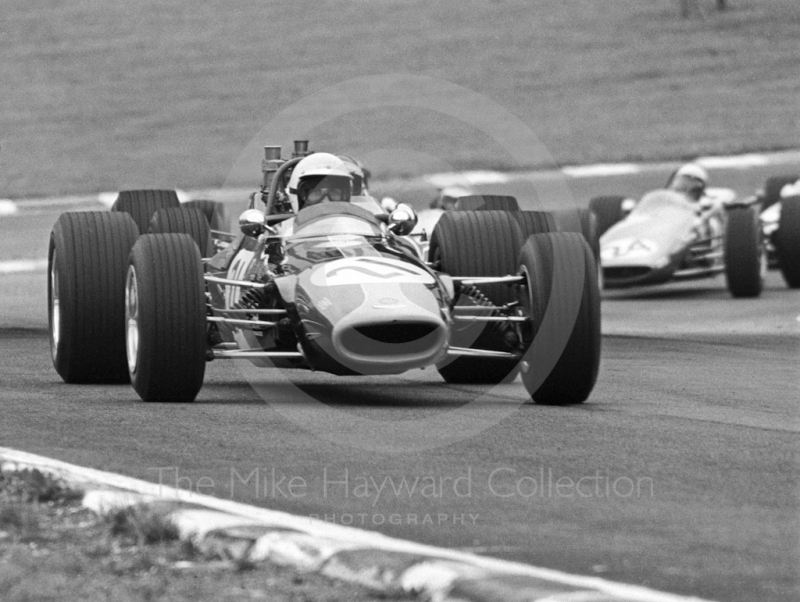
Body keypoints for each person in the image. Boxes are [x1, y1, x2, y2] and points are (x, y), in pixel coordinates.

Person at [287, 153, 353, 212]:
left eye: (333, 192)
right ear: (300, 196)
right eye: (316, 192)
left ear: (346, 196)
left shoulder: (357, 224)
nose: (326, 201)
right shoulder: (284, 225)